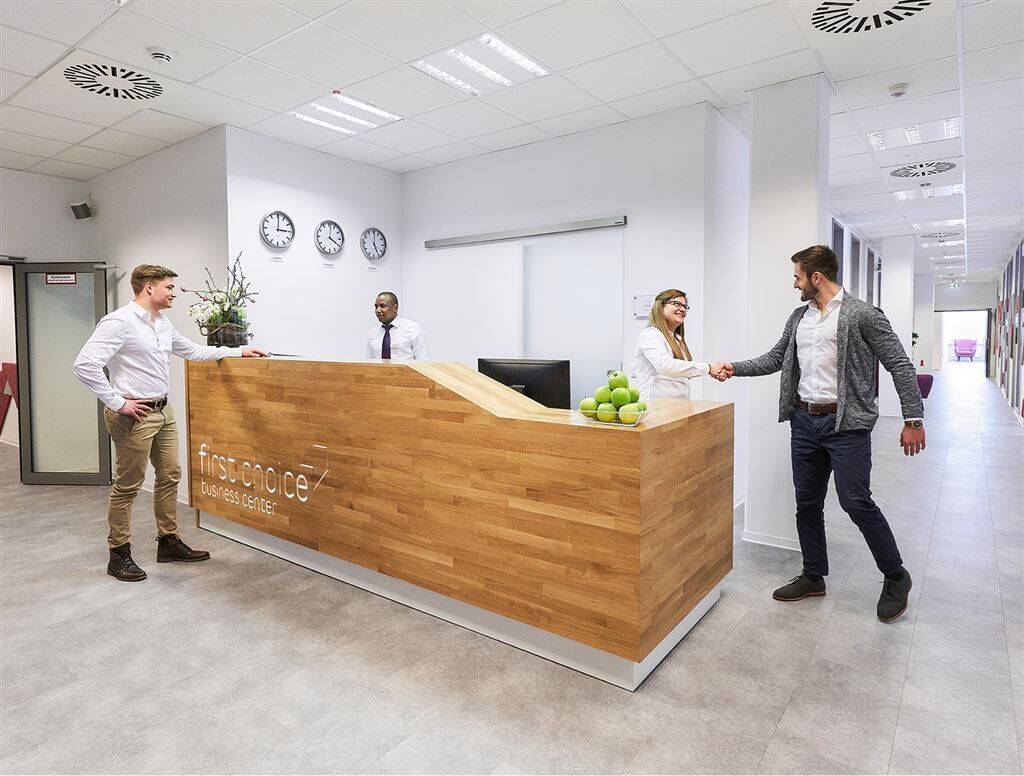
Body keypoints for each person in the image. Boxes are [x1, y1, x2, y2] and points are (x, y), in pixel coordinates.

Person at [718, 245, 924, 621]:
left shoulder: (863, 314)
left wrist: (913, 419)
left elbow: (899, 363)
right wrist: (733, 368)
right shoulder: (800, 317)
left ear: (816, 277)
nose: (794, 284)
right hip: (804, 422)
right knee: (807, 503)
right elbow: (776, 357)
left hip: (846, 426)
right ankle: (813, 576)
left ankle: (896, 576)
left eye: (797, 277)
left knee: (856, 502)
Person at [74, 264, 267, 582]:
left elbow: (193, 351)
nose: (174, 293)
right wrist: (117, 402)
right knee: (129, 485)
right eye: (169, 287)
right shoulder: (119, 323)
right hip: (133, 415)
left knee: (170, 475)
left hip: (164, 412)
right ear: (149, 287)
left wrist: (239, 351)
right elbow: (84, 365)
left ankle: (168, 542)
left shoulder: (162, 323)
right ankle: (118, 554)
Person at [631, 289, 727, 402]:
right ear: (661, 306)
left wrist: (715, 370)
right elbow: (666, 366)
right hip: (655, 407)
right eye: (677, 304)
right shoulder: (651, 334)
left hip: (678, 406)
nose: (682, 309)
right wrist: (709, 368)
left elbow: (682, 372)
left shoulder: (677, 339)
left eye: (685, 306)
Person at [366, 291, 428, 362]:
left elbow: (423, 362)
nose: (378, 310)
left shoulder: (413, 329)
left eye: (382, 306)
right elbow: (370, 363)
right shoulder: (372, 333)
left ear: (395, 308)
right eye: (376, 306)